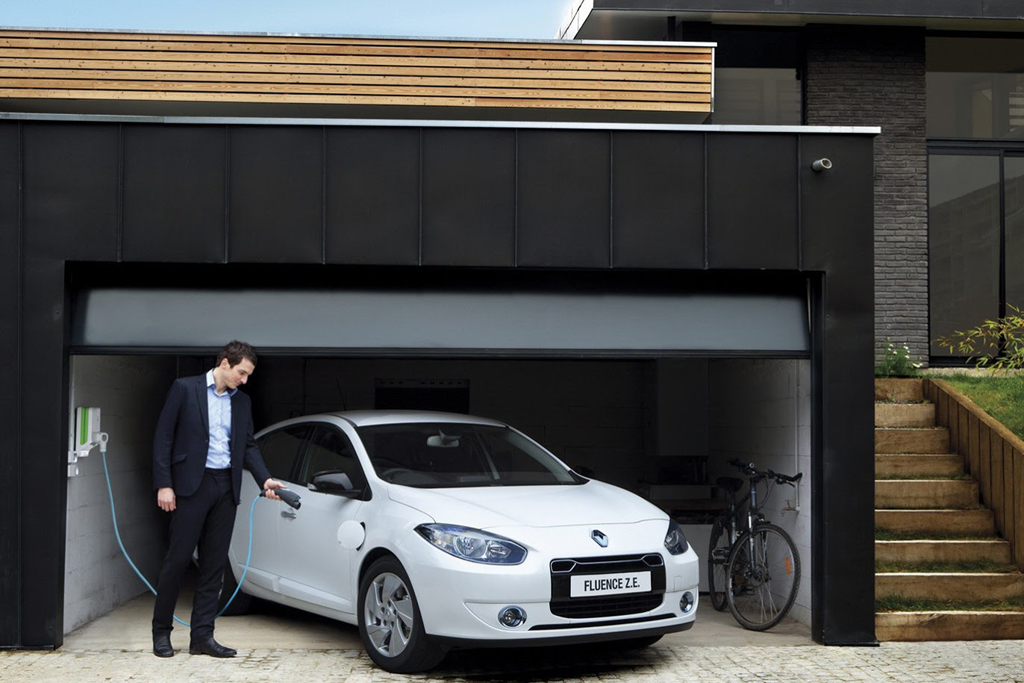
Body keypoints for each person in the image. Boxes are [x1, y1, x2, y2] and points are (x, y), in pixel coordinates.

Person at [150, 340, 285, 658]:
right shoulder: (185, 389)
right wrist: (164, 484)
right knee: (177, 561)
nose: (245, 380)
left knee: (214, 565)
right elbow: (163, 437)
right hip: (190, 487)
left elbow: (248, 445)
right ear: (225, 363)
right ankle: (161, 633)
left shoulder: (242, 402)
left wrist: (265, 478)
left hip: (226, 487)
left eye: (248, 375)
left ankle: (202, 637)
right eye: (242, 373)